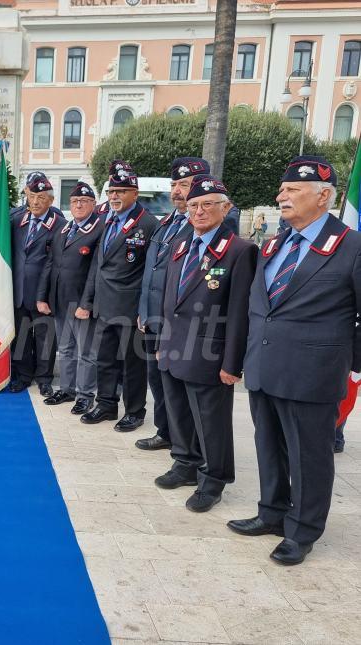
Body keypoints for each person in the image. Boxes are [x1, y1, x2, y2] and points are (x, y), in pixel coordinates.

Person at [229, 155, 361, 566]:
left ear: (323, 197)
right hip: (266, 366)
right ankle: (271, 512)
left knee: (309, 455)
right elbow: (260, 306)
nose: (280, 196)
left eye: (292, 190)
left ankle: (302, 530)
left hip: (313, 373)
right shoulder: (275, 243)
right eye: (282, 190)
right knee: (268, 445)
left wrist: (348, 363)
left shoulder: (351, 246)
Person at [155, 174, 257, 512]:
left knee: (211, 421)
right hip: (173, 345)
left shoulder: (240, 251)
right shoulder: (180, 246)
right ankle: (184, 462)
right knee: (178, 412)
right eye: (195, 205)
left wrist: (232, 362)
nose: (199, 211)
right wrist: (161, 340)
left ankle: (213, 479)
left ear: (225, 208)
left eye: (208, 205)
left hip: (209, 351)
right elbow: (170, 298)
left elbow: (240, 311)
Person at [77, 161, 158, 431]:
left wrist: (144, 310)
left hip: (130, 308)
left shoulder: (148, 224)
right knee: (105, 360)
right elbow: (97, 266)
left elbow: (150, 272)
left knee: (132, 366)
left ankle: (134, 411)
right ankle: (107, 404)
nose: (115, 196)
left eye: (121, 191)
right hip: (103, 305)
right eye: (112, 191)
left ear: (135, 193)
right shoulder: (105, 219)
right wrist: (88, 301)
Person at [135, 157, 209, 451]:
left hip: (180, 321)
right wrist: (143, 311)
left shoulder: (204, 226)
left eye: (185, 185)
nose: (178, 191)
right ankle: (165, 431)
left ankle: (186, 443)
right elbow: (150, 272)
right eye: (175, 185)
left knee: (178, 384)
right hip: (154, 318)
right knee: (158, 379)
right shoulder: (166, 223)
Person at [37, 181, 103, 412]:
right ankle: (67, 389)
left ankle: (85, 395)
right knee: (65, 349)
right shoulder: (63, 229)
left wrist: (86, 304)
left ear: (94, 204)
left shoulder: (99, 229)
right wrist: (42, 297)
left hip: (81, 304)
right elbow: (50, 265)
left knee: (86, 352)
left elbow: (95, 272)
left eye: (84, 201)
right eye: (75, 201)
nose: (79, 205)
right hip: (60, 301)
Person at [10, 173, 64, 395]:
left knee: (44, 338)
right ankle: (23, 375)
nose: (35, 202)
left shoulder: (60, 225)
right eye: (32, 196)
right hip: (19, 290)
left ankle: (44, 378)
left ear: (51, 200)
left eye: (41, 197)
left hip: (44, 294)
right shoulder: (16, 221)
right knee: (22, 335)